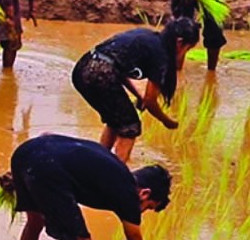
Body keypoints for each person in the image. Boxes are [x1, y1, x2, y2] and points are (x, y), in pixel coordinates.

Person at [0, 134, 172, 240]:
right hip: (46, 166)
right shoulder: (127, 193)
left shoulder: (118, 171)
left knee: (34, 223)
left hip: (25, 152)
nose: (141, 212)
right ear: (145, 194)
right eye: (148, 207)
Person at [72, 18, 200, 162]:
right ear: (179, 42)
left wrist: (138, 96)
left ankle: (100, 162)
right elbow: (150, 101)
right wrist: (167, 121)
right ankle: (117, 177)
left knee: (116, 120)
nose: (184, 54)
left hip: (82, 69)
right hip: (99, 73)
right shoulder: (161, 55)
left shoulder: (146, 36)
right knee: (130, 126)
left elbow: (117, 69)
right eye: (187, 49)